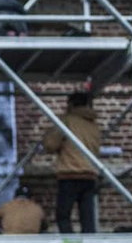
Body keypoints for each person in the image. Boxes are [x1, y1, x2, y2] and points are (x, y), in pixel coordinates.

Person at [42, 91, 102, 234]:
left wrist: (47, 136)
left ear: (70, 104)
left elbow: (51, 145)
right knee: (87, 216)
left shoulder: (67, 120)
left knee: (63, 215)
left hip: (70, 173)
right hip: (90, 175)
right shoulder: (93, 125)